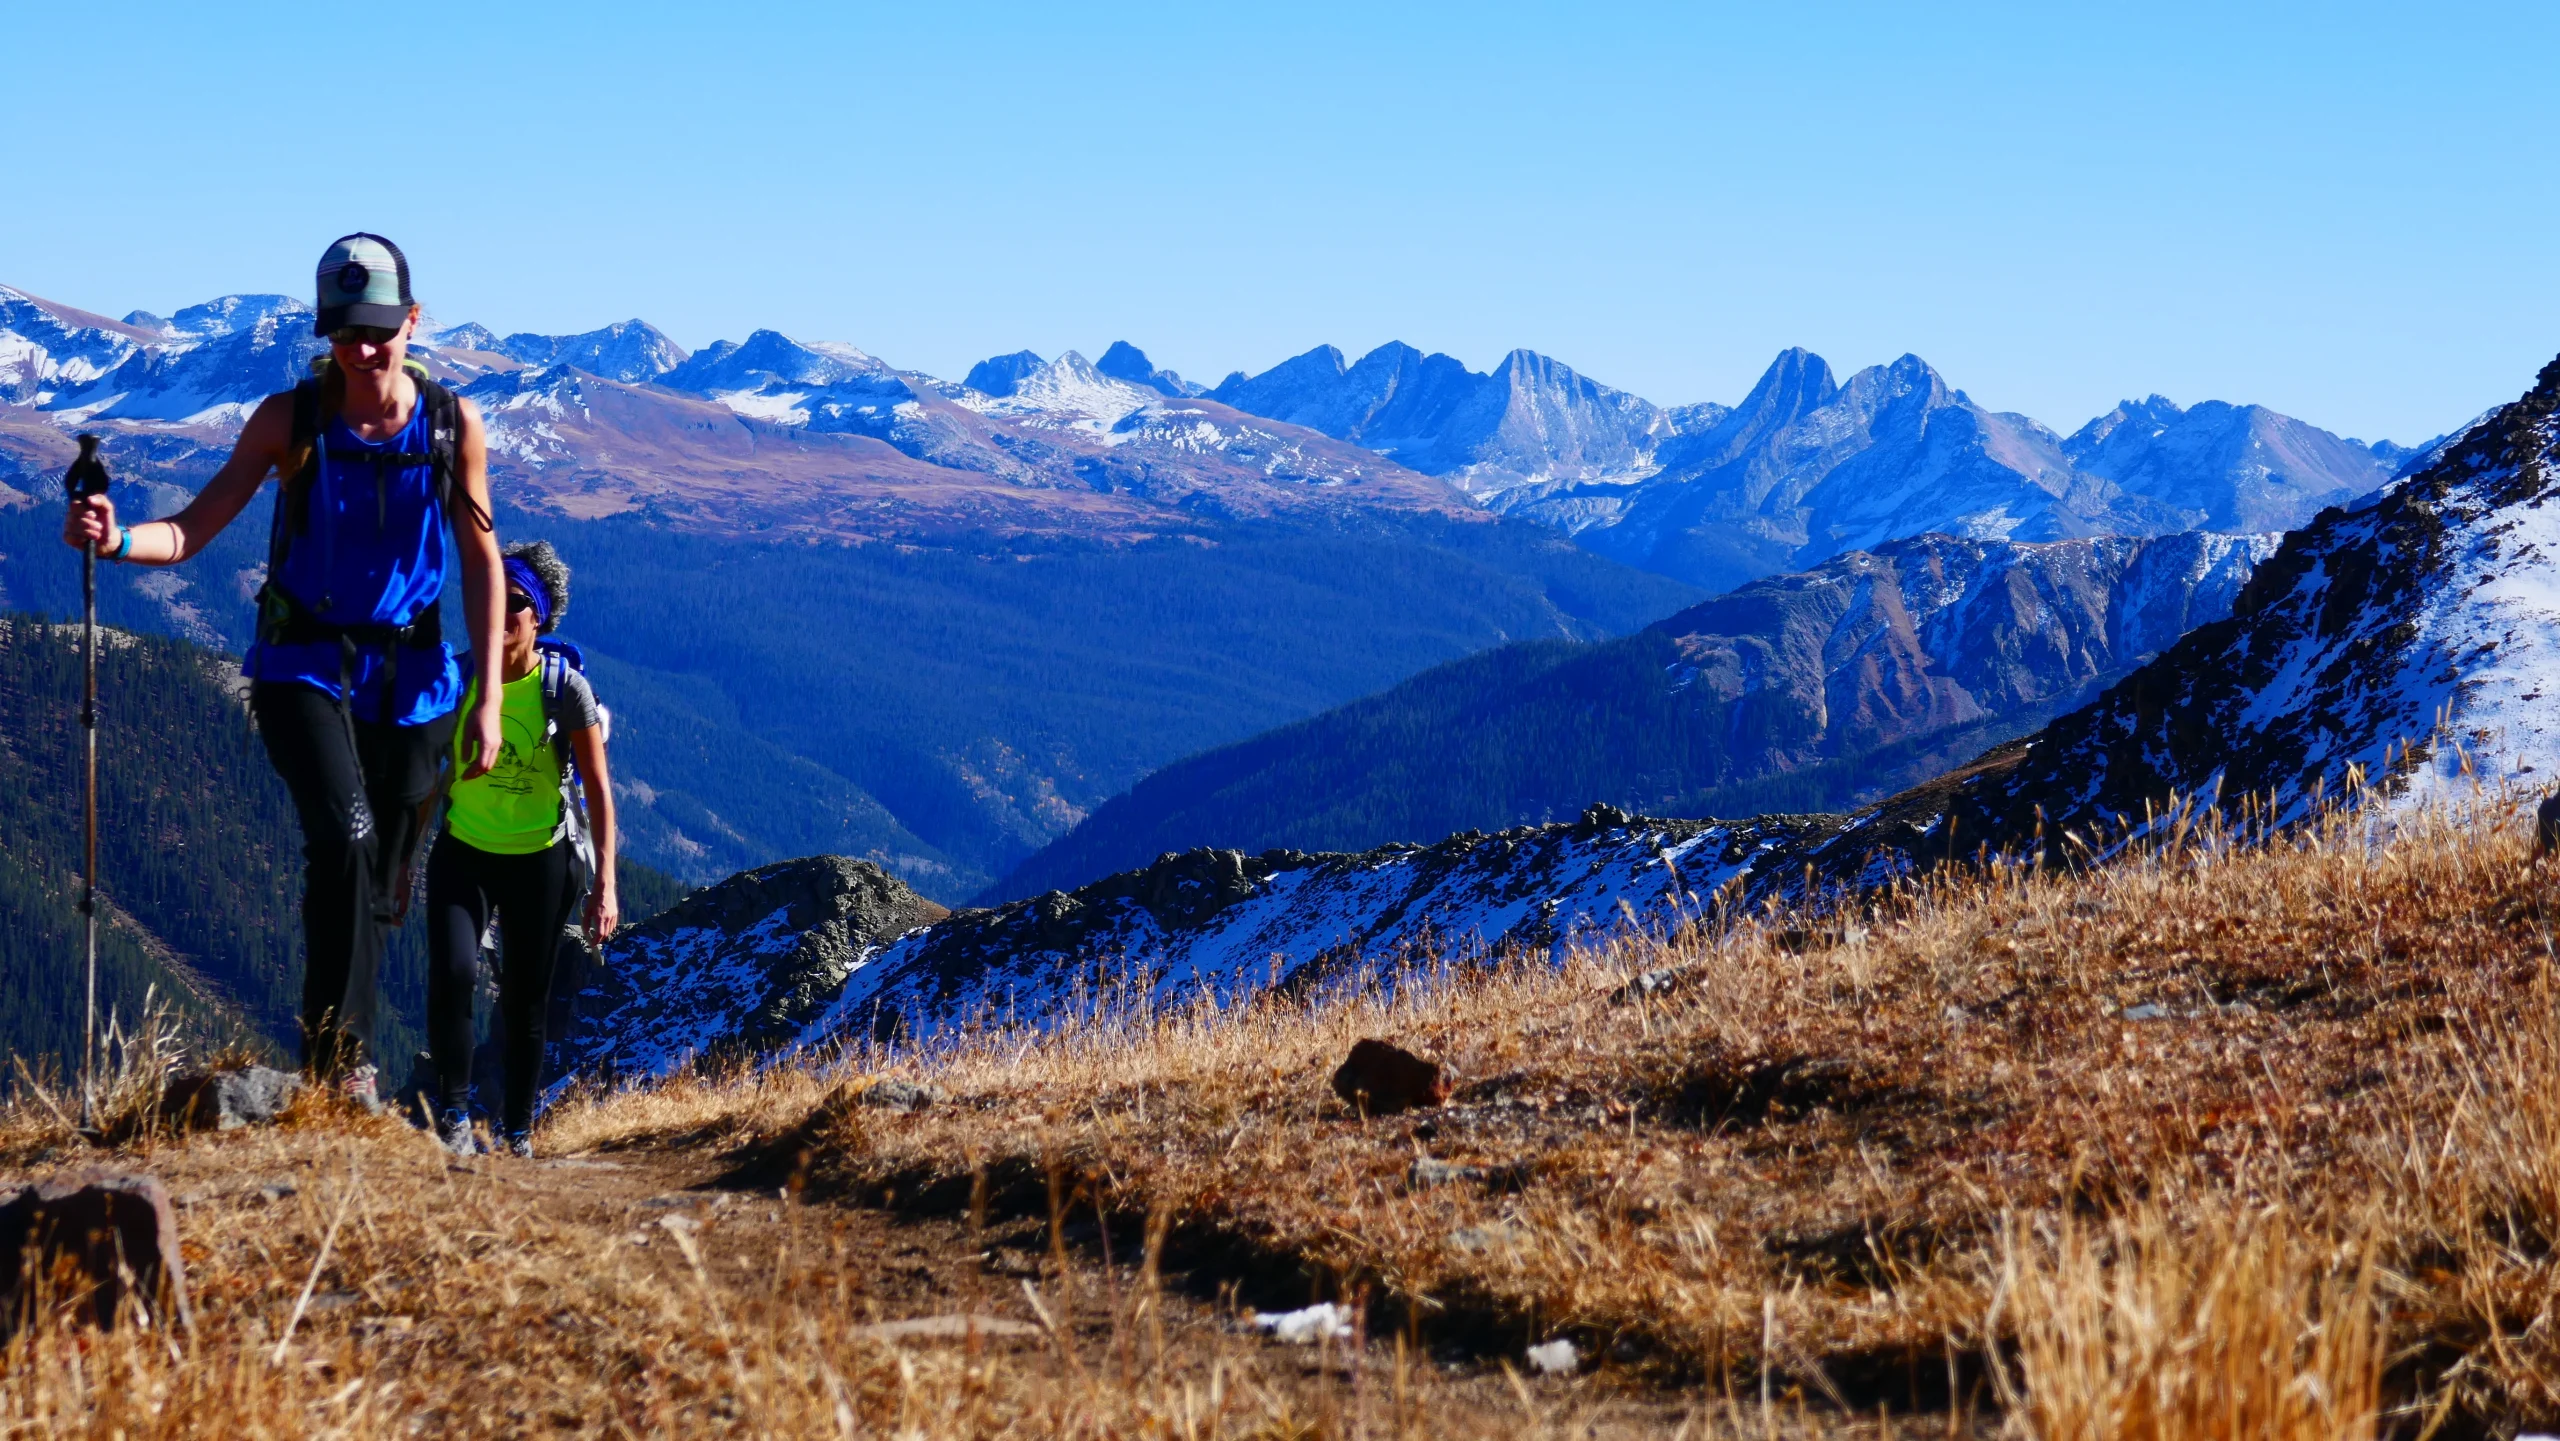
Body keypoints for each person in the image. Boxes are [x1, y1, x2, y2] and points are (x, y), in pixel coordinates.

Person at [63, 234, 505, 1108]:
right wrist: (113, 539)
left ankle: (338, 1059)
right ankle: (342, 1073)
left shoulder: (453, 427)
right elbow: (192, 529)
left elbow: (483, 559)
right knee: (344, 840)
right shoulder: (287, 420)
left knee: (381, 885)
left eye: (378, 329)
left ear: (413, 321)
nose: (363, 350)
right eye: (345, 333)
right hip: (302, 663)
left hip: (414, 681)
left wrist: (490, 696)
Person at [426, 542, 618, 1156]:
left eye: (514, 605)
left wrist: (606, 885)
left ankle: (516, 1133)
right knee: (454, 975)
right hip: (464, 852)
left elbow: (599, 793)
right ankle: (454, 1120)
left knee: (525, 1001)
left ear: (539, 619)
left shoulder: (566, 692)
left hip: (541, 861)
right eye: (489, 600)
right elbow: (431, 781)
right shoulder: (458, 683)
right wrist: (401, 862)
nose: (500, 614)